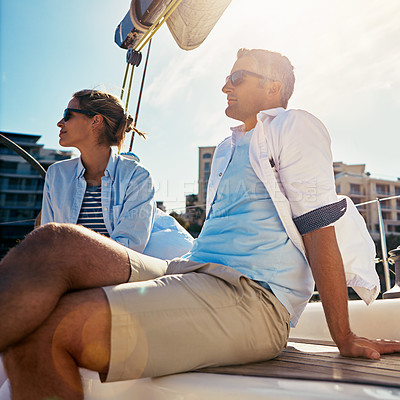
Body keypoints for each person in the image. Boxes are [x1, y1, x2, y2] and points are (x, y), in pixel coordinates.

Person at [1, 49, 400, 400]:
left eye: (237, 78)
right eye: (226, 77)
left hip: (253, 296)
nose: (224, 85)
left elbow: (317, 227)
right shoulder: (227, 148)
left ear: (274, 88)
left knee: (45, 330)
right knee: (54, 241)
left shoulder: (292, 126)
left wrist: (342, 335)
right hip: (190, 269)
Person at [41, 88, 193, 259]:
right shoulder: (56, 174)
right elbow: (50, 239)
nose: (60, 123)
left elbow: (128, 250)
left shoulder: (137, 177)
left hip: (116, 272)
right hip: (65, 272)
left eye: (68, 114)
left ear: (95, 120)